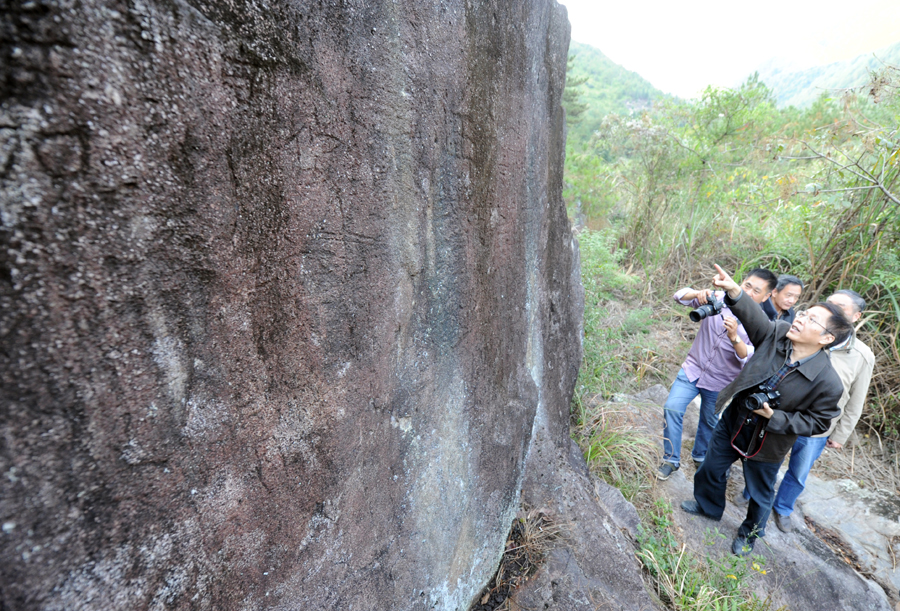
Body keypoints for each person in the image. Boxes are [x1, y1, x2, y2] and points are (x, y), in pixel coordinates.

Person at [680, 264, 852, 557]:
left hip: (769, 442)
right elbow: (755, 318)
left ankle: (749, 535)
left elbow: (818, 423)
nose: (800, 318)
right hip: (735, 420)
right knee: (711, 468)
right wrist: (735, 290)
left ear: (826, 339)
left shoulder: (828, 381)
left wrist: (776, 417)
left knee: (760, 494)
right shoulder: (779, 333)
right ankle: (708, 507)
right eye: (804, 313)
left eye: (812, 320)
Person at [734, 289, 876, 532]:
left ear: (856, 316)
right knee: (765, 459)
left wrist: (840, 435)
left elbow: (856, 399)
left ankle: (783, 508)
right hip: (778, 414)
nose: (831, 309)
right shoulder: (801, 333)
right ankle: (750, 492)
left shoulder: (861, 355)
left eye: (840, 307)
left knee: (799, 470)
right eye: (828, 303)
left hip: (815, 425)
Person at [656, 268, 778, 481]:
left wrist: (734, 337)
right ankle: (671, 460)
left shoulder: (762, 325)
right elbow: (679, 295)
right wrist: (698, 294)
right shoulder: (720, 298)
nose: (748, 293)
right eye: (747, 286)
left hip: (721, 382)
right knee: (672, 408)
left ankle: (700, 456)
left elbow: (748, 356)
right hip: (692, 369)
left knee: (708, 422)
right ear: (741, 283)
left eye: (756, 291)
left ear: (766, 296)